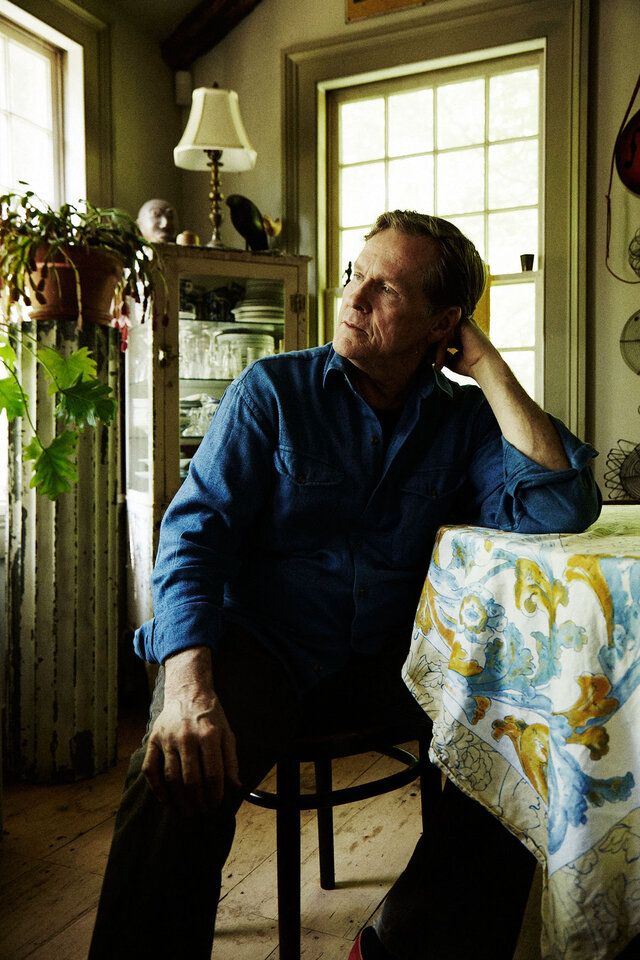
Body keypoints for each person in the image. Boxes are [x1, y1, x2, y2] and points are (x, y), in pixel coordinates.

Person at [89, 210, 601, 960]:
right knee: (175, 775)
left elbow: (560, 505)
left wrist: (487, 364)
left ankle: (402, 947)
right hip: (266, 647)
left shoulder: (463, 420)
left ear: (444, 324)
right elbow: (194, 536)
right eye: (355, 274)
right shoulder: (273, 391)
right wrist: (186, 689)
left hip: (396, 659)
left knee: (525, 755)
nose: (352, 297)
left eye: (385, 288)